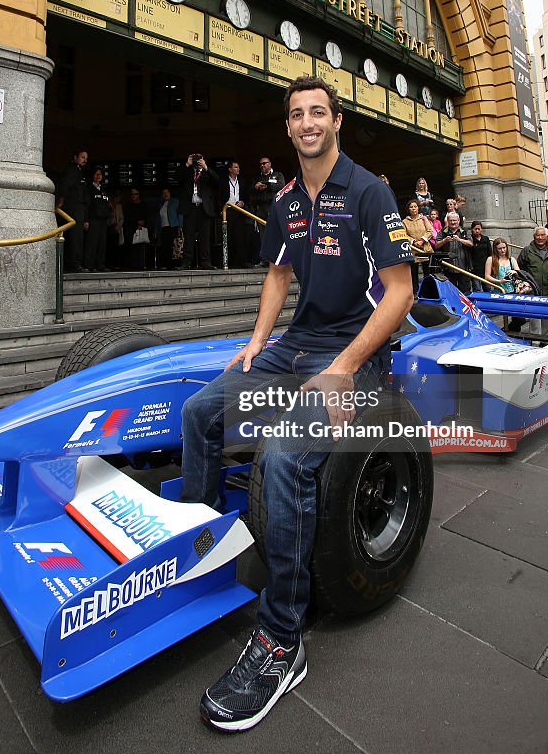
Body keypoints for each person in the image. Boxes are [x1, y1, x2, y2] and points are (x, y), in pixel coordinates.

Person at [180, 75, 413, 732]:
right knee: (200, 413)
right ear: (286, 128)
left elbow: (399, 290)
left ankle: (282, 639)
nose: (307, 122)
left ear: (335, 120)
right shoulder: (283, 200)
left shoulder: (369, 192)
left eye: (318, 112)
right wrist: (255, 344)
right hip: (294, 346)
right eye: (296, 115)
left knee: (282, 458)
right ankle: (203, 551)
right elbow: (278, 273)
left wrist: (342, 369)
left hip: (355, 359)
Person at [179, 152, 220, 269]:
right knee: (189, 235)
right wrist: (187, 164)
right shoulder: (187, 172)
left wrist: (206, 167)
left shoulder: (207, 173)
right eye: (195, 159)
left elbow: (217, 181)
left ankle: (205, 262)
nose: (197, 162)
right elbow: (177, 178)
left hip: (204, 208)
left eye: (199, 159)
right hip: (190, 208)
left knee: (205, 236)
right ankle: (186, 262)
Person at [517, 226, 548, 335]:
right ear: (534, 236)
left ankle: (544, 342)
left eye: (542, 235)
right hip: (533, 292)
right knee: (534, 323)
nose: (540, 238)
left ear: (547, 236)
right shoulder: (527, 251)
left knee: (546, 321)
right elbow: (519, 268)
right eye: (537, 235)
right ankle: (534, 343)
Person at [57, 149, 89, 272]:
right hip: (73, 207)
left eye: (86, 158)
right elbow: (65, 186)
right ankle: (74, 264)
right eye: (82, 157)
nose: (85, 160)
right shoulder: (72, 170)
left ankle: (76, 263)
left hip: (79, 208)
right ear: (75, 157)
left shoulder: (80, 172)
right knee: (75, 237)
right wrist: (61, 200)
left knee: (78, 237)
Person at [249, 156, 285, 265]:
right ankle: (265, 260)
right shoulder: (257, 178)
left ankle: (277, 258)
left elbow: (281, 186)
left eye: (264, 163)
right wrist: (256, 187)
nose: (262, 166)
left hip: (274, 208)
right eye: (260, 164)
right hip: (261, 209)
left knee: (276, 233)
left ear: (270, 164)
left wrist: (267, 185)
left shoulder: (278, 175)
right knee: (263, 236)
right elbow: (250, 192)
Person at [485, 237, 525, 331]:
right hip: (499, 291)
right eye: (500, 248)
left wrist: (513, 272)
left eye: (504, 248)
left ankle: (506, 331)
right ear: (495, 249)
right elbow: (487, 276)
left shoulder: (511, 260)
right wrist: (499, 281)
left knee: (519, 318)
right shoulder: (491, 259)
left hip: (512, 291)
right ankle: (505, 331)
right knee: (510, 315)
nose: (503, 250)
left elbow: (519, 273)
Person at [433, 210, 473, 293]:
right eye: (450, 220)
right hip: (448, 268)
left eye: (454, 220)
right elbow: (436, 246)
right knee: (451, 291)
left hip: (463, 267)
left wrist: (460, 240)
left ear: (458, 221)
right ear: (447, 221)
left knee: (465, 291)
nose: (452, 222)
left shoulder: (464, 231)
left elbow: (471, 243)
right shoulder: (443, 232)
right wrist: (444, 241)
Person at [222, 160, 250, 268]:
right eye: (236, 167)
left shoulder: (242, 181)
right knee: (229, 238)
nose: (238, 169)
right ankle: (229, 262)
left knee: (240, 237)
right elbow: (219, 195)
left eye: (238, 167)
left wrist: (243, 202)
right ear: (230, 169)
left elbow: (246, 195)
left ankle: (242, 262)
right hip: (227, 211)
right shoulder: (223, 181)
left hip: (239, 211)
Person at [403, 199, 433, 294]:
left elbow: (430, 231)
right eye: (411, 207)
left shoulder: (424, 219)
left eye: (415, 206)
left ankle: (428, 291)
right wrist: (414, 241)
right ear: (408, 209)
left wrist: (422, 240)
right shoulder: (404, 221)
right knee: (413, 273)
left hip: (425, 249)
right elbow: (403, 234)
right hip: (413, 250)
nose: (413, 209)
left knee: (427, 272)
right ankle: (415, 292)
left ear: (418, 208)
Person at [84, 167, 110, 272]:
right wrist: (86, 220)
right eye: (96, 174)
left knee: (102, 243)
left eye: (100, 174)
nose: (98, 176)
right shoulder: (89, 188)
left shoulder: (104, 189)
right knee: (92, 242)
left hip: (103, 220)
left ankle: (100, 264)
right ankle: (90, 265)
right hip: (93, 219)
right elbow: (87, 205)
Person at [123, 188, 152, 270]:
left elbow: (147, 216)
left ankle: (142, 264)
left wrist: (143, 223)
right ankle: (133, 265)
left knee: (142, 247)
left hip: (142, 229)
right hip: (131, 229)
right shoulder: (128, 205)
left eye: (135, 194)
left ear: (138, 195)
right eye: (132, 194)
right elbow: (127, 218)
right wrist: (136, 223)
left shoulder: (143, 204)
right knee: (133, 248)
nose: (133, 196)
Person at [154, 187, 182, 270]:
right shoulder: (160, 204)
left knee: (174, 246)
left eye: (167, 192)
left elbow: (180, 214)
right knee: (165, 247)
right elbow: (157, 219)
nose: (165, 194)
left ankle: (174, 265)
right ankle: (166, 264)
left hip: (173, 227)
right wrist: (156, 231)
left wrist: (180, 226)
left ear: (170, 193)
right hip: (163, 228)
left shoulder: (175, 201)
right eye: (163, 193)